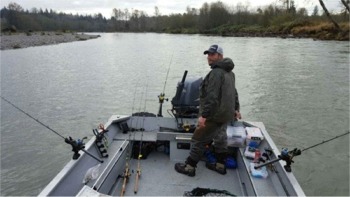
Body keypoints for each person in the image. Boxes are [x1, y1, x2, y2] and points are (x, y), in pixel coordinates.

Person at [175, 44, 241, 177]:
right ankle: (220, 165)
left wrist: (204, 116)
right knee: (220, 138)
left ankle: (189, 167)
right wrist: (236, 109)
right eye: (208, 54)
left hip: (214, 115)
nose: (209, 57)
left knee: (198, 139)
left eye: (212, 54)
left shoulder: (216, 73)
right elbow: (233, 93)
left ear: (220, 56)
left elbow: (212, 96)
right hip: (225, 114)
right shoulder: (230, 73)